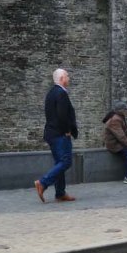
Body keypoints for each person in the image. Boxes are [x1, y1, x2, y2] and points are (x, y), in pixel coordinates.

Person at [34, 68, 78, 203]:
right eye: (67, 76)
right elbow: (62, 115)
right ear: (61, 79)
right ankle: (43, 182)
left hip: (52, 133)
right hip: (60, 134)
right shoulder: (61, 94)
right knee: (66, 161)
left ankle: (60, 193)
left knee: (60, 162)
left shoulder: (51, 93)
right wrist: (67, 130)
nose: (69, 78)